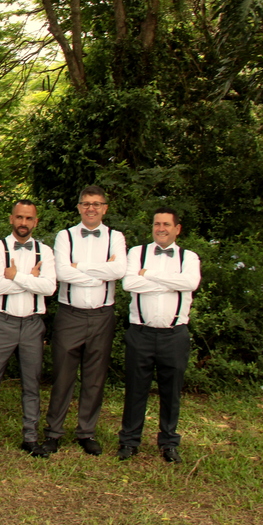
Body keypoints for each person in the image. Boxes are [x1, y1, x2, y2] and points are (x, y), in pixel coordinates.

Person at [0, 200, 56, 459]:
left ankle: (30, 438)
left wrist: (15, 276)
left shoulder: (45, 251)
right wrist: (32, 279)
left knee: (31, 384)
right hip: (3, 322)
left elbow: (49, 288)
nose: (23, 223)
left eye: (28, 218)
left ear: (35, 222)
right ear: (11, 219)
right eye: (19, 217)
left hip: (32, 324)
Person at [41, 185, 126, 456]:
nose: (91, 208)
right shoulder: (65, 236)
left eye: (97, 204)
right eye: (86, 203)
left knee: (94, 377)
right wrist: (102, 271)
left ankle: (86, 432)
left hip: (102, 315)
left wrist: (82, 268)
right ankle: (54, 432)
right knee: (63, 376)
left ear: (105, 208)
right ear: (78, 207)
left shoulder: (116, 237)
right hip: (70, 314)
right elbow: (63, 272)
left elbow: (120, 269)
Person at [117, 208, 201, 463]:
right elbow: (129, 284)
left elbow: (189, 284)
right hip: (140, 332)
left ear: (177, 228)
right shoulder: (136, 253)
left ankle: (168, 442)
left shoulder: (189, 257)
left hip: (174, 335)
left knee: (171, 391)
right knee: (135, 389)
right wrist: (170, 281)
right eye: (156, 224)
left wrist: (149, 275)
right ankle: (129, 442)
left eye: (166, 224)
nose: (160, 228)